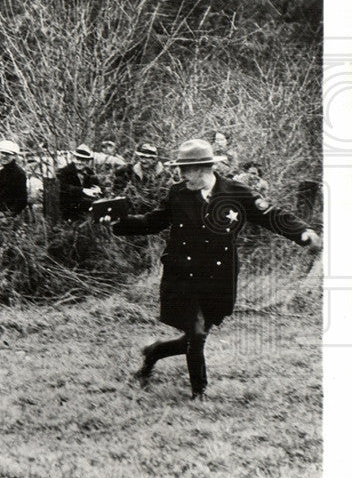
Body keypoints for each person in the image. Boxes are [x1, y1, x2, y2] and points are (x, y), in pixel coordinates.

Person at [104, 138, 322, 400]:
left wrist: (303, 233)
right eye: (180, 170)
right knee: (196, 334)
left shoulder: (236, 192)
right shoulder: (178, 193)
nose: (182, 176)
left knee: (196, 335)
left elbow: (270, 215)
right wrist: (119, 223)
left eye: (186, 170)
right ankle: (199, 394)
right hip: (182, 274)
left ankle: (154, 352)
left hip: (219, 277)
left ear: (203, 168)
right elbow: (153, 222)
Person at [112, 142, 167, 211]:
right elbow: (118, 191)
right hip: (133, 210)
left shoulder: (164, 174)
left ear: (154, 159)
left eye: (147, 158)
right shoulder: (129, 171)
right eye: (141, 157)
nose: (143, 160)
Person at [56, 144, 103, 221]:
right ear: (73, 158)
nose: (80, 162)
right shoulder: (64, 171)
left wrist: (98, 189)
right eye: (78, 159)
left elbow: (97, 185)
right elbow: (63, 187)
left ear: (87, 161)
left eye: (83, 160)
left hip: (86, 206)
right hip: (69, 208)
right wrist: (82, 190)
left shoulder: (89, 172)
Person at [0, 140, 29, 215]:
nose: (4, 156)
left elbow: (21, 199)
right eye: (2, 153)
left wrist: (8, 213)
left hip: (6, 212)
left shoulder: (18, 173)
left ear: (14, 156)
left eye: (8, 154)